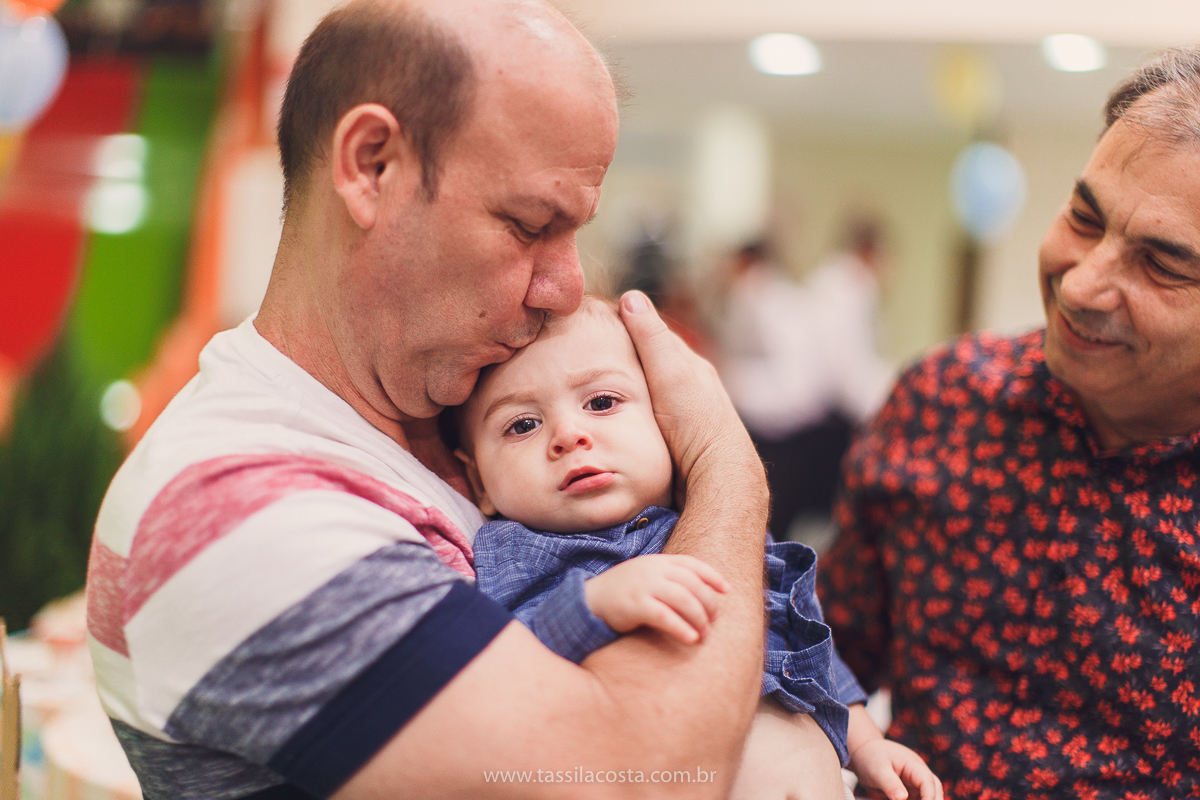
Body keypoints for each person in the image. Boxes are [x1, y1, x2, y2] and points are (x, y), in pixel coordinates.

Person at [84, 1, 822, 798]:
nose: (569, 286)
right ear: (372, 166)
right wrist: (722, 458)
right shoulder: (237, 509)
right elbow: (646, 782)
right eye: (529, 224)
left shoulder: (443, 414)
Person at [818, 45, 1200, 800]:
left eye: (1161, 264)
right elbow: (822, 658)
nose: (1083, 284)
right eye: (1084, 217)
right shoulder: (942, 402)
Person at [451, 295, 943, 800]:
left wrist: (866, 743)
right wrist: (593, 604)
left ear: (668, 423)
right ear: (478, 480)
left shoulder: (717, 525)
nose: (569, 435)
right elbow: (506, 664)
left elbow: (802, 640)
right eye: (522, 425)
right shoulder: (518, 552)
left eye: (601, 402)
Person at [717, 234, 894, 539]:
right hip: (798, 415)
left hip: (788, 419)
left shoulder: (763, 292)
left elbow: (811, 373)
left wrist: (729, 379)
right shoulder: (829, 289)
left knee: (774, 522)